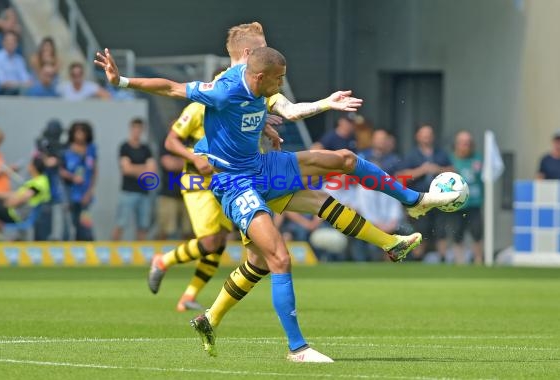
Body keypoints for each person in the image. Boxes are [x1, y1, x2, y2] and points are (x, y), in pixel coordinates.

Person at [95, 45, 458, 363]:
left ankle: (413, 203)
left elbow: (285, 111)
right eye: (279, 78)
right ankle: (298, 348)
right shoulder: (224, 90)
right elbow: (173, 88)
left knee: (343, 159)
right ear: (259, 73)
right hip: (235, 183)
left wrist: (299, 113)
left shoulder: (261, 89)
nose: (282, 83)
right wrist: (122, 82)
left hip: (263, 168)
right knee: (278, 258)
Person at [397, 124, 454, 261]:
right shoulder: (411, 155)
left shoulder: (441, 153)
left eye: (429, 135)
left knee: (441, 230)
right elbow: (400, 176)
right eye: (424, 135)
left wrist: (438, 169)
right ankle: (417, 260)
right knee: (421, 230)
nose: (426, 138)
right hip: (420, 199)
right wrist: (421, 171)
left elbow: (453, 171)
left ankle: (443, 259)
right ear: (417, 137)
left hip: (439, 199)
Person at [112, 118, 156, 241]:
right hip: (128, 191)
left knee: (143, 226)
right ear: (131, 129)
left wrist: (134, 168)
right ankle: (112, 251)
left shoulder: (146, 149)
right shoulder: (124, 147)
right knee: (121, 223)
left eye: (139, 129)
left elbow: (152, 170)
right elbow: (126, 169)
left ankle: (141, 253)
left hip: (144, 192)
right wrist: (143, 168)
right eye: (135, 128)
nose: (137, 131)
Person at [449, 130, 484, 264]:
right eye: (463, 143)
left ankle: (479, 260)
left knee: (477, 233)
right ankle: (460, 262)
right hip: (456, 204)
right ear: (456, 145)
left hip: (474, 203)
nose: (466, 146)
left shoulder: (478, 159)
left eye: (468, 143)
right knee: (457, 235)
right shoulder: (450, 160)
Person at [59, 122, 96, 241]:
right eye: (77, 132)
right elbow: (60, 170)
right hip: (69, 191)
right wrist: (72, 177)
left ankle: (86, 247)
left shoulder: (91, 149)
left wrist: (90, 191)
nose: (80, 135)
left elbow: (94, 171)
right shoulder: (66, 150)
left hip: (85, 192)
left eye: (82, 132)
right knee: (69, 222)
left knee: (85, 223)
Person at [0, 156, 49, 224]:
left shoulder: (39, 182)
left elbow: (25, 197)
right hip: (14, 211)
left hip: (16, 214)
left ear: (33, 167)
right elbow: (16, 194)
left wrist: (6, 204)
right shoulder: (39, 179)